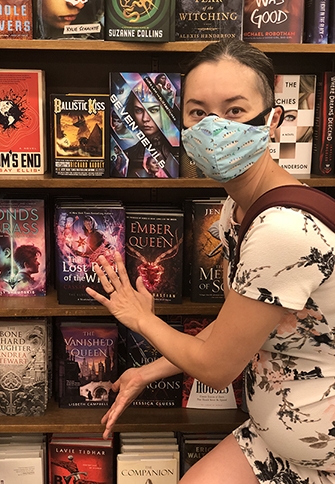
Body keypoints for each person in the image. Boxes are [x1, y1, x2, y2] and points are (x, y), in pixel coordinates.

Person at [86, 38, 335, 483]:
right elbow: (236, 324)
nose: (214, 127)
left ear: (273, 121)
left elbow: (219, 368)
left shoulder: (281, 230)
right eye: (198, 112)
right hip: (271, 438)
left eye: (235, 111)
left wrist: (143, 320)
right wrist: (148, 371)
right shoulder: (233, 210)